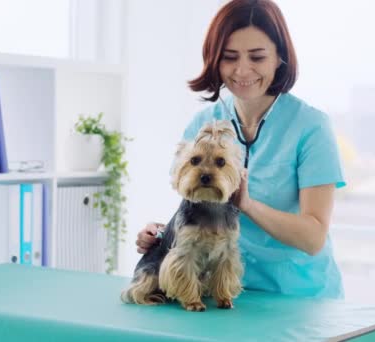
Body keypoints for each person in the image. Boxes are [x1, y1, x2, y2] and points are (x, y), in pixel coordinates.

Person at [135, 0, 346, 299]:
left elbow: (314, 237)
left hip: (299, 296)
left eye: (257, 57)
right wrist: (164, 234)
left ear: (280, 58)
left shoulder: (311, 127)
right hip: (223, 295)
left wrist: (247, 204)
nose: (242, 70)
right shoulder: (203, 123)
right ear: (215, 59)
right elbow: (193, 202)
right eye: (230, 57)